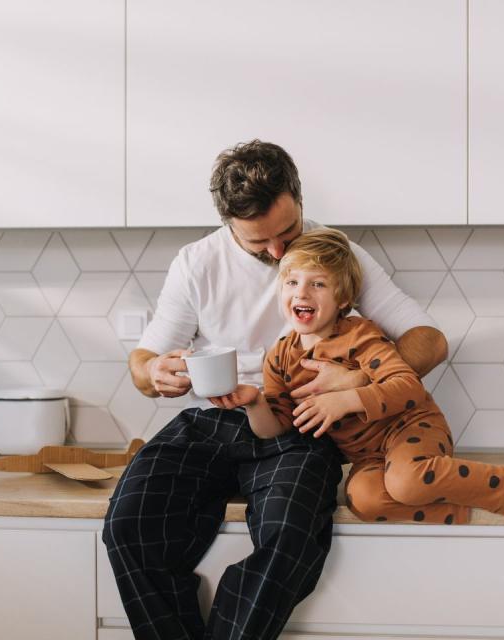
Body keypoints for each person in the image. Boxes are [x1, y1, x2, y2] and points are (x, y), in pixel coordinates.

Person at [102, 140, 448, 640]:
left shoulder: (335, 253)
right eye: (258, 243)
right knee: (128, 525)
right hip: (212, 422)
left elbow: (429, 341)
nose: (279, 253)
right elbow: (141, 363)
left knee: (292, 538)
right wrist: (154, 372)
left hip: (298, 427)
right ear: (228, 225)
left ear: (299, 198)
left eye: (287, 233)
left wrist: (359, 381)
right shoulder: (196, 263)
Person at [217, 228, 504, 531]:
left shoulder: (359, 334)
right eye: (292, 282)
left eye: (317, 284)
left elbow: (407, 386)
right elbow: (277, 427)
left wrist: (348, 399)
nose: (302, 292)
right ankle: (475, 507)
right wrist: (253, 402)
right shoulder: (281, 356)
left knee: (406, 483)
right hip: (369, 456)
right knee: (363, 499)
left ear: (342, 297)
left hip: (410, 427)